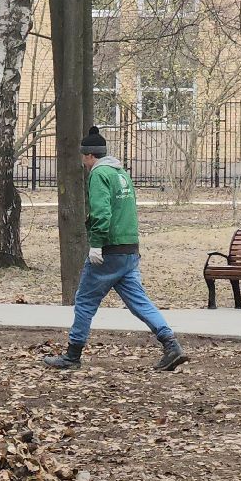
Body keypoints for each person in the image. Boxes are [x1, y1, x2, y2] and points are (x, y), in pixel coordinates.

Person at [40, 127, 187, 372]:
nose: (83, 162)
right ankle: (171, 344)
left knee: (85, 300)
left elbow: (102, 212)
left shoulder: (99, 174)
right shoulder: (121, 173)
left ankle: (73, 355)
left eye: (83, 157)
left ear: (88, 156)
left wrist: (96, 244)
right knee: (139, 302)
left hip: (109, 250)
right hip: (129, 249)